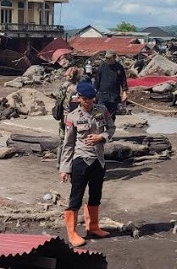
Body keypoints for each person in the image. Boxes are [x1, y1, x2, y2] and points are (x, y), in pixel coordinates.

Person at [59, 82, 115, 247]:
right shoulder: (73, 117)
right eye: (85, 99)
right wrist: (64, 169)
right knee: (76, 197)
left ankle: (93, 227)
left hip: (98, 159)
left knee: (96, 195)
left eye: (91, 99)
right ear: (79, 98)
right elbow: (68, 144)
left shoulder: (101, 110)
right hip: (81, 160)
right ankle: (72, 232)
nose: (89, 102)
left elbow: (111, 128)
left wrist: (101, 137)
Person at [94, 50, 128, 121]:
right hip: (102, 95)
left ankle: (110, 130)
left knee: (111, 116)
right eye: (106, 58)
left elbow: (123, 81)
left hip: (113, 96)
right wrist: (94, 93)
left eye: (109, 58)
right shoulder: (102, 67)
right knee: (100, 115)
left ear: (114, 57)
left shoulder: (119, 67)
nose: (108, 60)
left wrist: (124, 93)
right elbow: (97, 81)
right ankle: (101, 130)